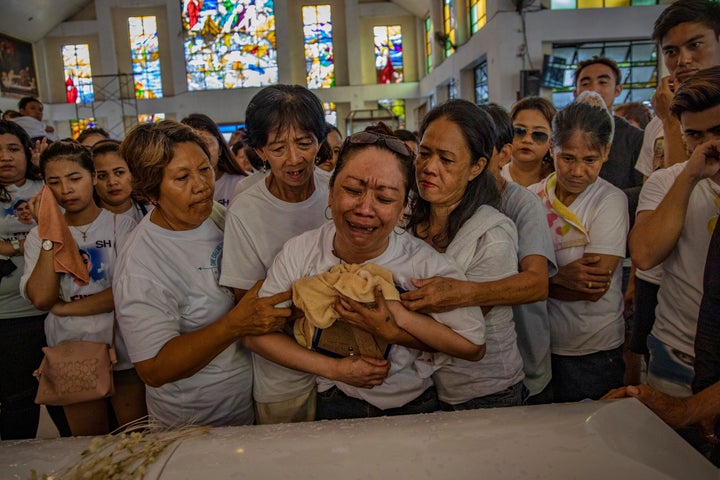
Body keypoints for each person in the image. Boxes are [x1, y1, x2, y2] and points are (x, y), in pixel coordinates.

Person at [245, 124, 486, 422]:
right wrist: (334, 369)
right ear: (331, 193)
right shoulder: (301, 252)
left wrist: (396, 314)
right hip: (335, 400)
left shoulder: (424, 266)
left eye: (384, 199)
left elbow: (473, 347)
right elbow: (255, 337)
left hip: (414, 406)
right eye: (353, 190)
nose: (365, 208)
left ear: (402, 211)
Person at [113, 120, 292, 428]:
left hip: (251, 403)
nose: (201, 185)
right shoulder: (142, 264)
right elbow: (153, 369)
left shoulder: (216, 215)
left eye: (204, 169)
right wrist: (234, 325)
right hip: (195, 422)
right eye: (182, 177)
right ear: (151, 191)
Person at [400, 100, 526, 409]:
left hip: (485, 391)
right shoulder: (404, 219)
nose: (429, 167)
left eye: (446, 159)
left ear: (476, 167)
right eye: (424, 153)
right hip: (423, 390)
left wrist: (383, 318)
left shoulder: (491, 234)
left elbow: (458, 331)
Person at [220, 84, 331, 424]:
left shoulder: (337, 191)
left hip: (343, 368)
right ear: (260, 151)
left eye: (304, 143)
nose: (295, 159)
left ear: (320, 141)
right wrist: (319, 303)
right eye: (279, 147)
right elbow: (247, 303)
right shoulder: (246, 211)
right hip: (281, 376)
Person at [20, 141, 146, 436]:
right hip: (71, 350)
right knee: (88, 443)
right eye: (54, 182)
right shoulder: (38, 237)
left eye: (75, 178)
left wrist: (64, 308)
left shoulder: (122, 226)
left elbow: (123, 293)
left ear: (93, 177)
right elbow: (41, 297)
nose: (66, 190)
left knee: (136, 439)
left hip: (124, 347)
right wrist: (50, 234)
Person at [629, 0, 720, 384]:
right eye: (671, 51)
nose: (683, 59)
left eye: (695, 45)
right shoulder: (659, 125)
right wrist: (669, 121)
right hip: (676, 326)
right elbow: (647, 251)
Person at [529, 95, 628, 402]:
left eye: (590, 160)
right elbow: (513, 273)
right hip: (542, 345)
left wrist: (535, 284)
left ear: (606, 152)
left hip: (593, 348)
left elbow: (592, 285)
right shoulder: (532, 198)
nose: (576, 171)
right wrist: (558, 280)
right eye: (567, 157)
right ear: (552, 149)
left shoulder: (609, 201)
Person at [479, 103, 558, 404]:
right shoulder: (453, 202)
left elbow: (537, 284)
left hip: (526, 363)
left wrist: (461, 294)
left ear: (503, 154)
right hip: (477, 368)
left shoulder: (522, 204)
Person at [0, 120, 68, 439]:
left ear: (28, 153)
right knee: (17, 402)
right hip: (8, 315)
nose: (5, 156)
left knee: (65, 398)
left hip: (52, 310)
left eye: (13, 149)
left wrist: (11, 247)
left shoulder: (50, 188)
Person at [181, 113, 249, 207]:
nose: (202, 152)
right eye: (193, 146)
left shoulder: (240, 184)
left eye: (206, 143)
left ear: (220, 149)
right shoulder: (178, 187)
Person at [91, 139, 148, 223]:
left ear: (132, 173)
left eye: (119, 172)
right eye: (102, 176)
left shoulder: (153, 212)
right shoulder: (85, 223)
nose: (112, 182)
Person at [504, 97, 556, 187]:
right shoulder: (494, 177)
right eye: (519, 131)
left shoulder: (559, 182)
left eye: (539, 134)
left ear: (552, 141)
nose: (527, 140)